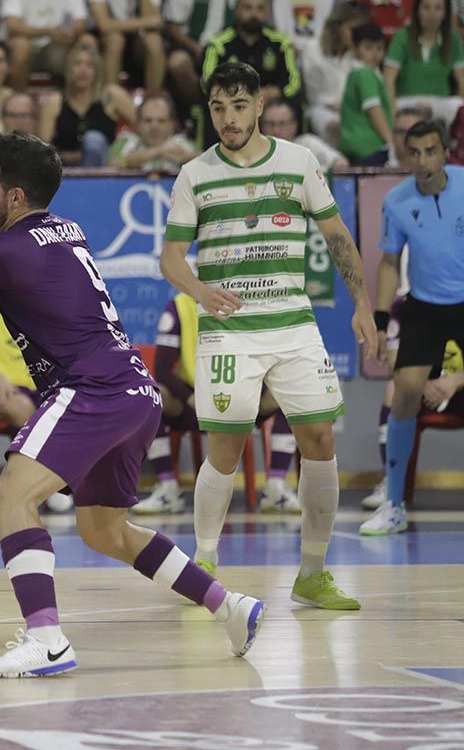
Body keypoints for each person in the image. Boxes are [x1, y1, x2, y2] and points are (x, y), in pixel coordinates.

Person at [0, 131, 265, 676]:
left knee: (11, 495)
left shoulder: (11, 249)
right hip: (135, 392)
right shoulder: (59, 230)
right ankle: (230, 607)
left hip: (92, 389)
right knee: (104, 531)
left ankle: (47, 639)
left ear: (14, 196)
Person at [159, 61, 376, 610]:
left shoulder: (300, 162)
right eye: (217, 108)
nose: (227, 119)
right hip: (229, 331)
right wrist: (200, 292)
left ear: (259, 106)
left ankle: (312, 571)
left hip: (293, 325)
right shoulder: (195, 174)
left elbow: (338, 237)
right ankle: (204, 560)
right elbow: (170, 258)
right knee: (226, 447)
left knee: (321, 439)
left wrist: (363, 306)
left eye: (238, 106)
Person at [363, 121, 464, 535]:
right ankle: (393, 504)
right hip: (424, 305)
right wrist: (382, 322)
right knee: (404, 394)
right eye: (415, 153)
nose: (423, 162)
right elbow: (389, 263)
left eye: (431, 151)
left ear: (445, 151)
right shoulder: (397, 201)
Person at [134, 291, 301, 515]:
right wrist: (191, 397)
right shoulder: (179, 307)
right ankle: (168, 490)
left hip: (243, 400)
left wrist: (251, 393)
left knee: (287, 392)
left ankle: (276, 489)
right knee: (154, 396)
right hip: (195, 404)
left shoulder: (249, 303)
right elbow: (163, 370)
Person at [0, 291, 74, 513]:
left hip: (41, 388)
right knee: (22, 408)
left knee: (74, 405)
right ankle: (46, 487)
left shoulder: (38, 311)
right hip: (4, 392)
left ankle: (61, 482)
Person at [362, 293, 464, 510]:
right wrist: (421, 384)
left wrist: (454, 381)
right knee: (394, 388)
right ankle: (391, 485)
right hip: (425, 390)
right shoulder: (404, 306)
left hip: (460, 387)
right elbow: (394, 360)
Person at [162, 0, 259, 118]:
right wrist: (196, 48)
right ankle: (199, 110)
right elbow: (172, 26)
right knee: (177, 63)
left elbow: (251, 23)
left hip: (231, 50)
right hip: (193, 48)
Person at [200, 0, 301, 146]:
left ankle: (289, 156)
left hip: (270, 104)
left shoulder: (281, 43)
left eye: (260, 8)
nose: (254, 13)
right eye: (248, 7)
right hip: (231, 103)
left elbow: (294, 84)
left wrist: (275, 92)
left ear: (267, 13)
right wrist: (241, 97)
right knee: (214, 106)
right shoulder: (218, 44)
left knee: (290, 107)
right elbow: (208, 82)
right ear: (237, 10)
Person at [0, 0, 90, 91]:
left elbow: (80, 22)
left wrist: (67, 33)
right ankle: (17, 103)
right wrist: (48, 31)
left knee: (87, 42)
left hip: (56, 46)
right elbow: (11, 24)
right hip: (25, 44)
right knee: (22, 46)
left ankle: (77, 106)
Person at [40, 44, 135, 167]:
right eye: (77, 64)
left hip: (106, 169)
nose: (83, 71)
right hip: (66, 170)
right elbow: (43, 150)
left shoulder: (111, 96)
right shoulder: (55, 102)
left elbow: (144, 124)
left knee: (93, 140)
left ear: (97, 71)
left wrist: (122, 153)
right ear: (69, 69)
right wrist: (74, 157)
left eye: (89, 65)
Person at [383, 0, 464, 131]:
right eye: (426, 7)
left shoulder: (454, 40)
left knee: (458, 104)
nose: (431, 13)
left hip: (440, 104)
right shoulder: (402, 36)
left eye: (438, 8)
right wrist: (391, 117)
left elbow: (462, 80)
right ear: (417, 11)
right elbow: (388, 80)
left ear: (445, 13)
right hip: (408, 103)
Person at [86, 0, 166, 93]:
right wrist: (146, 22)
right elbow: (103, 25)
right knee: (115, 39)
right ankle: (111, 101)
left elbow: (153, 25)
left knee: (154, 41)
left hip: (137, 43)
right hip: (105, 41)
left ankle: (153, 102)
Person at [301, 0, 370, 147]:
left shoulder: (361, 54)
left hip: (354, 111)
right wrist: (338, 106)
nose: (357, 35)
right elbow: (313, 96)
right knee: (338, 126)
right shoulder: (313, 50)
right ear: (338, 26)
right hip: (322, 110)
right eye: (352, 29)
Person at [339, 23, 394, 167]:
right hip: (370, 148)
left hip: (356, 146)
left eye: (379, 48)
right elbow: (373, 111)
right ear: (355, 49)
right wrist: (391, 142)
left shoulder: (360, 74)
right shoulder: (365, 74)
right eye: (368, 48)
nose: (375, 54)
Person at [109, 94, 198, 172]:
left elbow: (205, 160)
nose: (154, 127)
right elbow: (111, 165)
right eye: (148, 121)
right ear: (138, 124)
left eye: (161, 121)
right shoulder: (126, 141)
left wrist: (186, 157)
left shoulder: (182, 143)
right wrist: (158, 151)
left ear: (172, 125)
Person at [261, 98, 347, 173]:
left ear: (294, 126)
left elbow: (341, 164)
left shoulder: (307, 144)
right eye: (270, 124)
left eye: (282, 123)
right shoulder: (254, 152)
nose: (276, 131)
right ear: (261, 126)